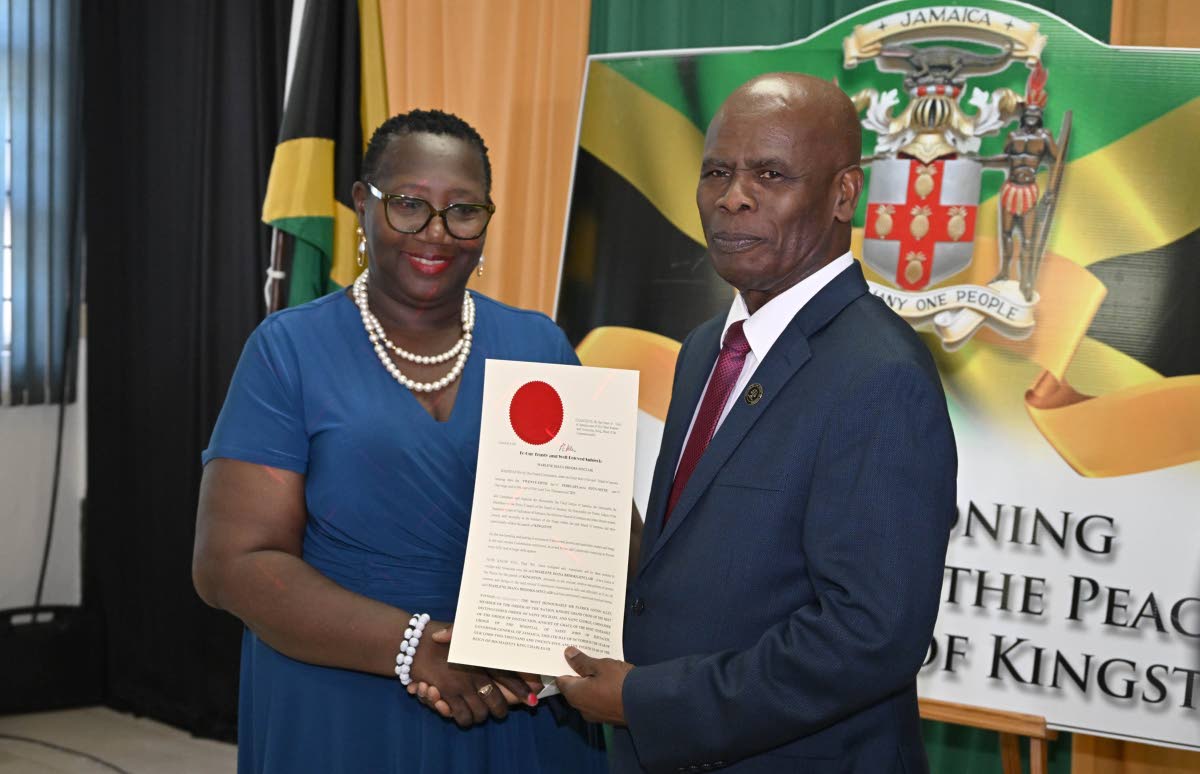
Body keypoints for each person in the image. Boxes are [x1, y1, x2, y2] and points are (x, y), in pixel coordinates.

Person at [555, 74, 957, 773]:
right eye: (717, 172)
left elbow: (869, 637)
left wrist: (650, 702)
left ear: (844, 195)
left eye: (770, 174)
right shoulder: (704, 349)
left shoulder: (881, 375)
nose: (732, 197)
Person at [193, 109, 606, 773]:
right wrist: (415, 646)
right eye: (409, 205)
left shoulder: (539, 347)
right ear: (363, 204)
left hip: (516, 700)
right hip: (341, 700)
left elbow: (600, 531)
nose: (436, 233)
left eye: (463, 211)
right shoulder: (288, 350)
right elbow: (230, 564)